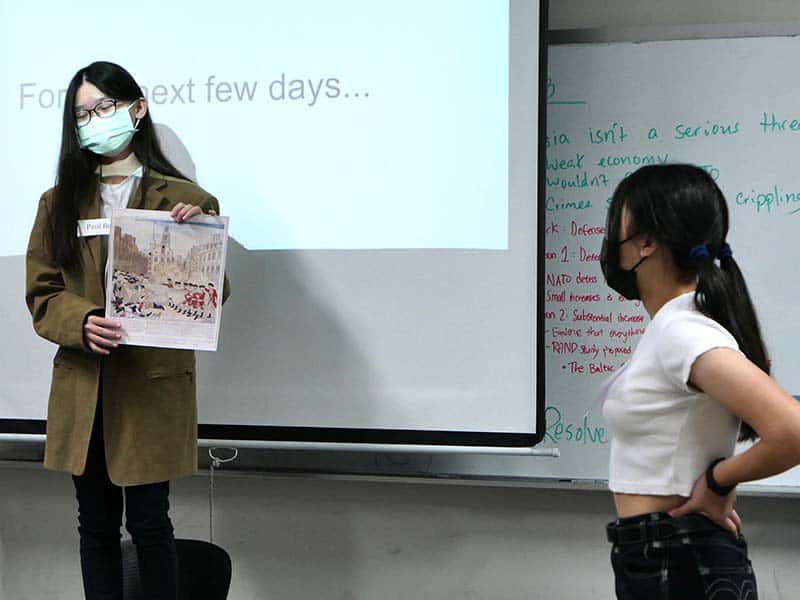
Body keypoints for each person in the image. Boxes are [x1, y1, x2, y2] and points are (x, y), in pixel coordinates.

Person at [25, 61, 230, 600]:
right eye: (82, 114)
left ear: (137, 109)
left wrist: (196, 240)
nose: (93, 121)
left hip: (150, 387)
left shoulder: (187, 198)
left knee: (149, 523)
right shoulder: (57, 202)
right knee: (94, 526)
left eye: (105, 108)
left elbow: (213, 297)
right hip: (85, 386)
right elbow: (42, 294)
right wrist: (81, 321)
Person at [599, 164, 800, 599]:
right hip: (664, 552)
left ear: (646, 242)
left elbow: (794, 430)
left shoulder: (683, 331)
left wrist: (718, 481)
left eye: (618, 221)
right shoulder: (675, 326)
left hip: (678, 555)